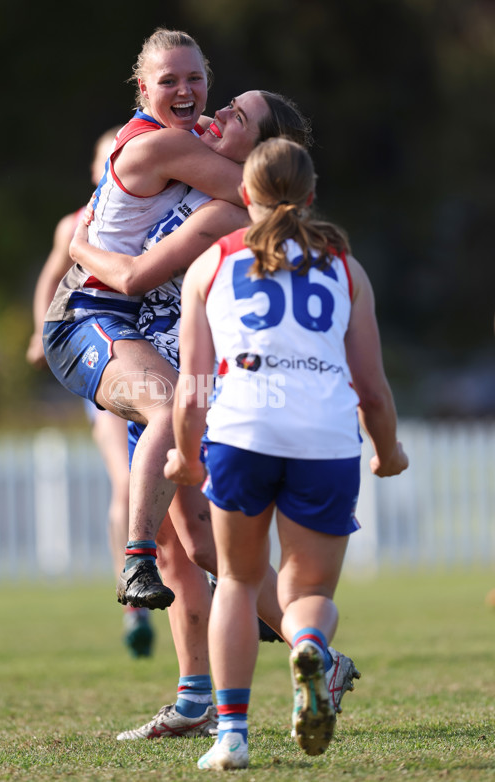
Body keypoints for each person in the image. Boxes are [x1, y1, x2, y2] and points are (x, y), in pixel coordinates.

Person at [70, 95, 360, 740]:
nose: (219, 111)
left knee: (210, 556)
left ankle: (262, 684)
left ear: (256, 156)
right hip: (175, 366)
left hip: (197, 382)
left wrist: (80, 248)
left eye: (236, 113)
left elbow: (138, 274)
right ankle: (215, 690)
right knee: (192, 549)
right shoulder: (197, 178)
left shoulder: (227, 212)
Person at [165, 137, 409, 769]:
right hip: (323, 440)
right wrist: (388, 453)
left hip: (241, 433)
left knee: (241, 584)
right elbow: (373, 390)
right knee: (307, 594)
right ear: (311, 193)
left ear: (243, 193)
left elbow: (192, 386)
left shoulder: (209, 266)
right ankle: (307, 644)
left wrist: (188, 457)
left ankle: (231, 737)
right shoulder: (345, 268)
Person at [44, 28, 252, 612]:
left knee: (202, 541)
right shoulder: (161, 146)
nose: (186, 92)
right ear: (143, 89)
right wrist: (265, 158)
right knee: (170, 402)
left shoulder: (191, 140)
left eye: (196, 79)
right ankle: (135, 562)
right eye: (169, 81)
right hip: (86, 315)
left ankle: (308, 646)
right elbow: (262, 191)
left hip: (132, 322)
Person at [26, 127, 154, 658]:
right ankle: (134, 608)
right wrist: (41, 331)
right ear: (98, 171)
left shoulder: (152, 216)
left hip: (146, 353)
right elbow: (51, 280)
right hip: (104, 362)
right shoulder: (75, 224)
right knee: (125, 480)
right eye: (107, 161)